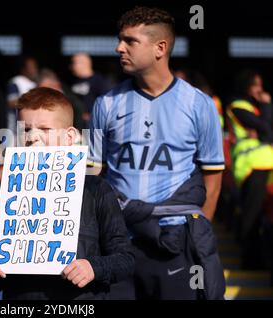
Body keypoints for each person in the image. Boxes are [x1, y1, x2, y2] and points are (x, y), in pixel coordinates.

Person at [88, 7, 225, 299]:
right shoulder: (105, 104)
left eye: (130, 41)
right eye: (120, 40)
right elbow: (92, 175)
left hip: (174, 242)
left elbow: (213, 175)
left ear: (160, 48)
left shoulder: (199, 104)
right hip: (117, 242)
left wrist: (198, 231)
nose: (118, 48)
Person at [0, 87, 135, 300]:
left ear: (70, 137)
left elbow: (126, 259)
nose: (32, 137)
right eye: (25, 129)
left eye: (44, 129)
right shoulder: (8, 189)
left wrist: (94, 268)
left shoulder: (96, 189)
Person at [226, 70, 273, 269]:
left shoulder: (254, 107)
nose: (259, 90)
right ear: (247, 86)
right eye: (256, 85)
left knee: (264, 214)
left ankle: (257, 258)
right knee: (251, 213)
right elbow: (266, 129)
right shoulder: (239, 105)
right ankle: (250, 260)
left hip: (264, 163)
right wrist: (267, 104)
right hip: (253, 165)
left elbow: (265, 130)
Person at [70, 53, 112, 126]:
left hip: (92, 123)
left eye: (74, 63)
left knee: (89, 137)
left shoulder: (98, 81)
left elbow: (106, 102)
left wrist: (92, 115)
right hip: (77, 123)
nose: (71, 67)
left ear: (83, 64)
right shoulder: (73, 81)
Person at [6, 56, 39, 133]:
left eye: (35, 67)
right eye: (30, 67)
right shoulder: (16, 81)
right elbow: (11, 103)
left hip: (31, 127)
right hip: (15, 128)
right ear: (23, 69)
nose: (34, 69)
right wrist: (32, 100)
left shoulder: (36, 83)